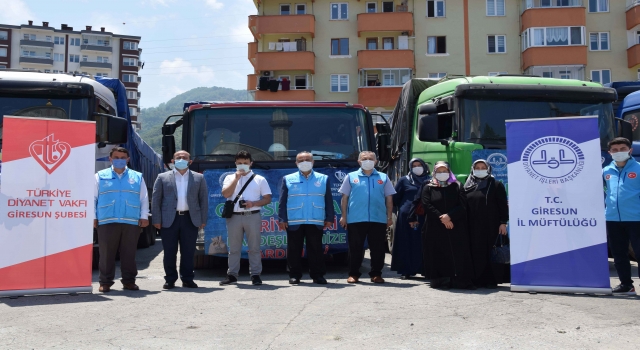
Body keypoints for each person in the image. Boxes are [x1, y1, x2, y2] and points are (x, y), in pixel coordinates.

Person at [410, 161, 475, 290]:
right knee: (437, 252)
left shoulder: (457, 185)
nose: (442, 174)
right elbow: (426, 204)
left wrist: (449, 216)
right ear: (434, 172)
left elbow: (462, 206)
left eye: (444, 171)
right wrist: (442, 218)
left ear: (449, 171)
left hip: (455, 225)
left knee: (456, 252)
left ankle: (458, 281)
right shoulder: (428, 186)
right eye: (439, 171)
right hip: (435, 225)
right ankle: (440, 281)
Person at [94, 147, 149, 293]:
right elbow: (92, 198)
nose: (120, 160)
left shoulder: (137, 176)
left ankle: (129, 281)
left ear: (128, 159)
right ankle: (105, 282)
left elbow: (143, 198)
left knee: (129, 254)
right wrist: (93, 217)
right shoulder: (100, 175)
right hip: (106, 219)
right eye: (116, 157)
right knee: (106, 254)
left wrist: (144, 216)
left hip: (131, 220)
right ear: (110, 159)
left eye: (123, 157)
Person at [152, 150, 208, 289]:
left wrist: (203, 219)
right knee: (169, 251)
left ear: (190, 161)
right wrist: (156, 219)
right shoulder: (162, 177)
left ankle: (187, 278)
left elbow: (203, 200)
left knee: (188, 251)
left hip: (190, 218)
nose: (181, 159)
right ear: (172, 160)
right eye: (178, 157)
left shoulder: (198, 178)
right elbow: (156, 199)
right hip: (169, 219)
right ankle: (170, 279)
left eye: (184, 157)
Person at [339, 151, 396, 284]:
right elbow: (344, 198)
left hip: (378, 218)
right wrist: (344, 216)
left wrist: (389, 217)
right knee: (355, 248)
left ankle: (376, 274)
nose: (368, 161)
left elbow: (389, 198)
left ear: (376, 162)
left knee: (378, 249)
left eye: (371, 159)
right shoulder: (351, 176)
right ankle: (354, 274)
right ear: (359, 161)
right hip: (355, 218)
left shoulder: (383, 177)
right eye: (364, 159)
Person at [278, 151, 334, 285]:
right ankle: (294, 275)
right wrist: (282, 219)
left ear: (313, 162)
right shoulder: (288, 179)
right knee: (294, 249)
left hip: (315, 219)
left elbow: (328, 200)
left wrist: (330, 217)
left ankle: (318, 275)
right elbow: (282, 201)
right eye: (301, 160)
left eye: (307, 160)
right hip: (294, 219)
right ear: (296, 163)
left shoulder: (323, 179)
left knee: (315, 249)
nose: (304, 162)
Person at [219, 151, 272, 286]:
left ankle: (255, 275)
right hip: (234, 217)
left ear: (251, 163)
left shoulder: (259, 179)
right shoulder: (229, 178)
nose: (242, 166)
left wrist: (253, 203)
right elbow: (226, 194)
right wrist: (236, 179)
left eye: (245, 163)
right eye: (240, 163)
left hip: (252, 216)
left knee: (254, 247)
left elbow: (267, 198)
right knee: (234, 248)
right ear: (235, 164)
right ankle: (232, 275)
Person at [463, 160, 509, 289]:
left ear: (488, 169)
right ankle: (475, 278)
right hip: (471, 226)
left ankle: (490, 280)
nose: (480, 169)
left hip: (490, 226)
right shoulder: (467, 184)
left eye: (483, 167)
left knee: (489, 252)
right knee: (474, 251)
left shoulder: (495, 184)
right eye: (477, 167)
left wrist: (503, 223)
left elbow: (502, 206)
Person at [603, 137, 640, 295]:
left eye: (623, 149)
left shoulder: (638, 169)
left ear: (630, 150)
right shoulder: (605, 171)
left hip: (636, 219)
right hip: (612, 219)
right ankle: (626, 285)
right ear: (610, 152)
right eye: (615, 150)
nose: (619, 152)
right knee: (619, 254)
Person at [390, 158, 429, 279]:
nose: (417, 167)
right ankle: (406, 270)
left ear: (424, 166)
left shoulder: (430, 180)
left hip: (425, 216)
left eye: (419, 165)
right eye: (414, 165)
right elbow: (395, 198)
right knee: (406, 242)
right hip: (406, 216)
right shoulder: (404, 180)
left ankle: (425, 270)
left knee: (423, 243)